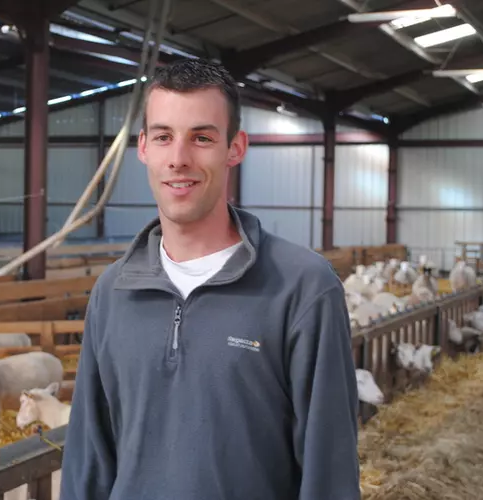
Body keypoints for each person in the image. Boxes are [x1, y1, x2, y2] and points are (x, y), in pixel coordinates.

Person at [59, 58, 360, 500]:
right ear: (143, 147)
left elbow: (328, 469)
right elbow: (89, 457)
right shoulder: (114, 291)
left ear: (234, 148)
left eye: (201, 138)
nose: (178, 159)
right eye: (163, 137)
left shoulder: (302, 288)